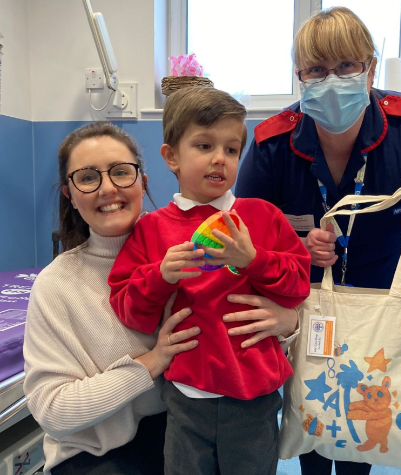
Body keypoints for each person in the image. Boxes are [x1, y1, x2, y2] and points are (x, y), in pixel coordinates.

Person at [235, 7, 401, 475]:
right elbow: (245, 243)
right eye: (317, 70)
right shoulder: (272, 143)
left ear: (370, 68)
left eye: (346, 66)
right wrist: (296, 252)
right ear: (300, 76)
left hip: (379, 304)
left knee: (361, 428)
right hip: (302, 308)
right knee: (309, 418)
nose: (332, 79)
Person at [23, 122, 300, 475]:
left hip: (184, 420)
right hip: (102, 450)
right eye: (88, 177)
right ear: (70, 194)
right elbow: (53, 413)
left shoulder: (198, 246)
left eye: (121, 173)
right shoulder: (56, 285)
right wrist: (155, 360)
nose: (108, 188)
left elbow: (264, 295)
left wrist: (289, 321)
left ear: (143, 181)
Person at [108, 87, 311, 475]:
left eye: (232, 150)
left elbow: (299, 284)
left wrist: (254, 260)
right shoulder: (152, 229)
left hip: (255, 396)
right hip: (186, 396)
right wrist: (161, 275)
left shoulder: (262, 216)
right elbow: (128, 308)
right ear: (171, 157)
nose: (220, 158)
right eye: (203, 145)